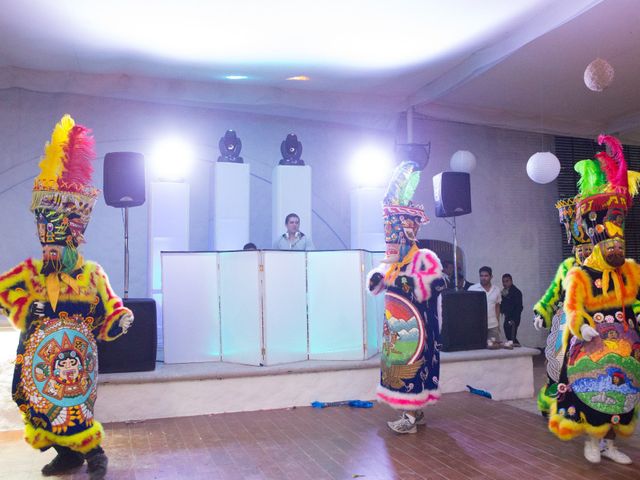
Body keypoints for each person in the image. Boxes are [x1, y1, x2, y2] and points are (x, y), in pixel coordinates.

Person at [0, 115, 134, 480]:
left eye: (57, 245)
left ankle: (94, 454)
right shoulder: (29, 273)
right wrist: (29, 309)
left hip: (76, 361)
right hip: (37, 360)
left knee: (74, 409)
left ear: (74, 242)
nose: (51, 251)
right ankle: (66, 455)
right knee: (28, 400)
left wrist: (121, 319)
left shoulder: (92, 275)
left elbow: (111, 310)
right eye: (47, 244)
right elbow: (2, 291)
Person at [548, 135, 640, 465]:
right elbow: (573, 308)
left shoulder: (630, 272)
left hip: (626, 346)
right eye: (610, 244)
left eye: (620, 243)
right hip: (591, 343)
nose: (617, 249)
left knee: (622, 395)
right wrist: (583, 328)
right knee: (592, 392)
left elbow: (634, 304)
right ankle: (592, 438)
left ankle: (611, 444)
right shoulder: (580, 275)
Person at [367, 160, 444, 435]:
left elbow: (437, 283)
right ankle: (412, 410)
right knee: (398, 369)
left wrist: (407, 281)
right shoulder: (391, 264)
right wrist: (378, 279)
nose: (392, 247)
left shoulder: (424, 258)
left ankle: (410, 416)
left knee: (414, 370)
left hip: (417, 331)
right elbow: (378, 284)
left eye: (395, 241)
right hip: (397, 331)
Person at [533, 194, 593, 417]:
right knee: (558, 364)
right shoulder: (567, 267)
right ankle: (553, 404)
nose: (585, 253)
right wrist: (541, 312)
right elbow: (552, 293)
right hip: (565, 322)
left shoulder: (601, 269)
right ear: (574, 251)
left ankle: (588, 407)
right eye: (581, 250)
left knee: (590, 367)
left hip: (592, 322)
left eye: (588, 249)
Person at [468, 266, 502, 349]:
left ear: (491, 277)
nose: (483, 278)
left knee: (494, 348)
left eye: (486, 276)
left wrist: (498, 323)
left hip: (493, 325)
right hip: (477, 326)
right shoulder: (472, 289)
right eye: (481, 276)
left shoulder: (496, 289)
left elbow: (497, 306)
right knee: (478, 349)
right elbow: (468, 309)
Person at [500, 274, 523, 348]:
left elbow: (519, 307)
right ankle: (518, 349)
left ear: (511, 281)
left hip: (513, 318)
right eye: (503, 281)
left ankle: (519, 350)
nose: (505, 283)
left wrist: (514, 320)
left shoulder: (516, 292)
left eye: (507, 281)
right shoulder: (504, 292)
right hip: (507, 317)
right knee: (508, 336)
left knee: (511, 337)